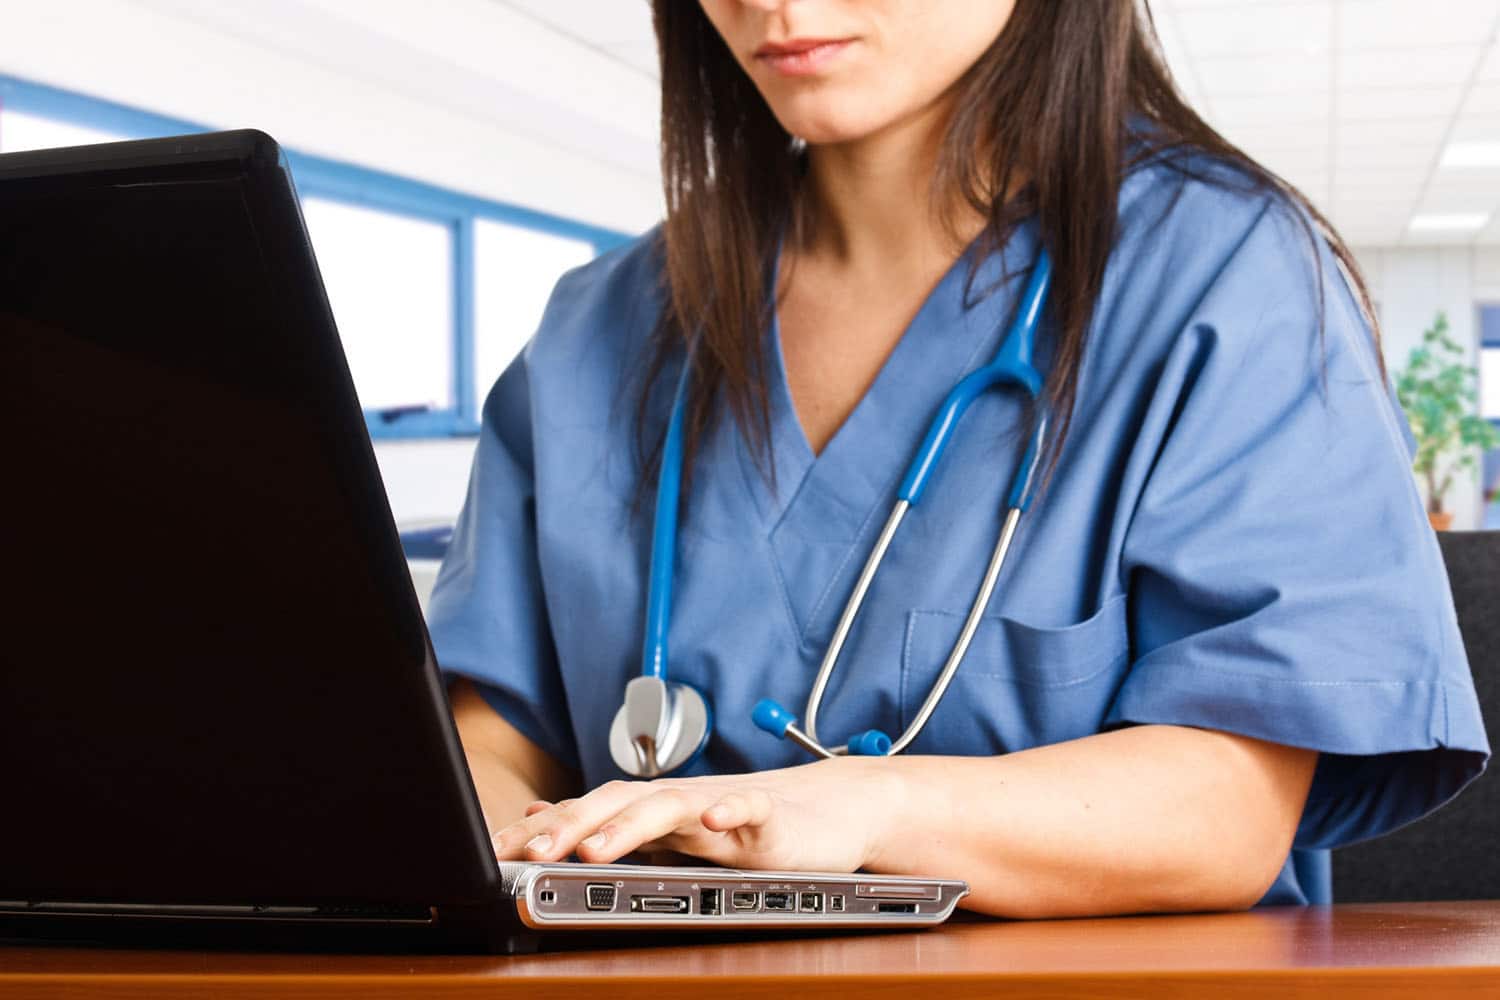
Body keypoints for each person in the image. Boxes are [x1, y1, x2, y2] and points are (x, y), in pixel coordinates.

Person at [428, 0, 1488, 917]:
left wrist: (862, 808)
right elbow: (489, 741)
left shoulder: (1226, 275)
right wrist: (537, 850)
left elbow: (1233, 803)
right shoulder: (601, 327)